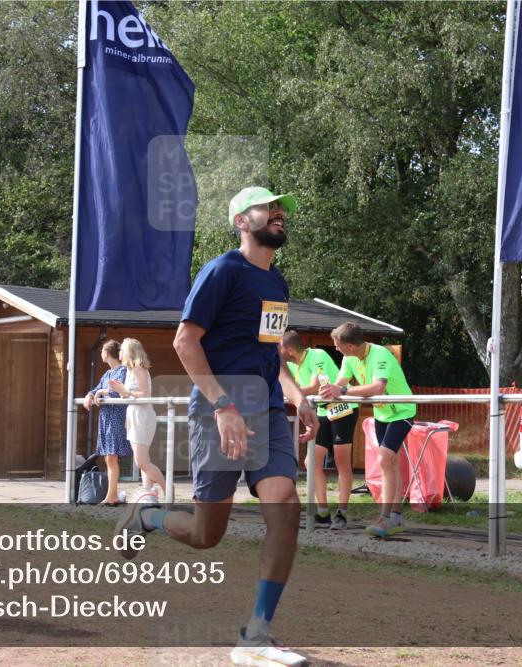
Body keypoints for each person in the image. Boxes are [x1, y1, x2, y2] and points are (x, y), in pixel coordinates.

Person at [116, 186, 318, 667]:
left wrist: (297, 395)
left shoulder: (277, 283)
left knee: (285, 508)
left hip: (265, 411)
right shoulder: (222, 271)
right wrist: (223, 405)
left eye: (281, 209)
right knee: (208, 535)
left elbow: (272, 350)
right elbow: (186, 342)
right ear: (240, 221)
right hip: (217, 412)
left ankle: (257, 634)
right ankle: (148, 517)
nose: (278, 215)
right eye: (268, 208)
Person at [319, 323, 416, 538]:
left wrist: (342, 390)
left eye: (337, 345)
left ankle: (385, 518)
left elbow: (376, 387)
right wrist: (329, 391)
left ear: (351, 346)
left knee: (384, 459)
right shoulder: (348, 358)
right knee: (391, 461)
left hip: (403, 411)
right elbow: (340, 383)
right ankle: (397, 515)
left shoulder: (380, 353)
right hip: (382, 414)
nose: (335, 349)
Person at [279, 330, 358, 529]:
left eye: (280, 348)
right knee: (311, 461)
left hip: (342, 408)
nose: (278, 351)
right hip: (322, 410)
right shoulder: (288, 364)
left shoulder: (317, 355)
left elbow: (315, 387)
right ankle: (323, 512)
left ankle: (342, 513)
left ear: (288, 350)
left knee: (341, 460)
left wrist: (292, 392)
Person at [108, 338, 164, 494]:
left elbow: (144, 394)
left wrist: (124, 391)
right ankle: (148, 491)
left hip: (142, 416)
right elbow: (128, 395)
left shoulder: (139, 368)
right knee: (143, 460)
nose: (119, 352)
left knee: (141, 462)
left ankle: (167, 488)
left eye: (122, 350)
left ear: (129, 352)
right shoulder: (130, 370)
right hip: (133, 414)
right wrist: (121, 391)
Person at [82, 339, 130, 505]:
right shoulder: (107, 373)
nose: (101, 353)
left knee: (112, 456)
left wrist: (102, 391)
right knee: (109, 457)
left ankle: (112, 496)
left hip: (116, 417)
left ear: (107, 353)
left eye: (102, 350)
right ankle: (112, 495)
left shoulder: (123, 371)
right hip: (106, 418)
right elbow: (96, 389)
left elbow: (118, 392)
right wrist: (90, 395)